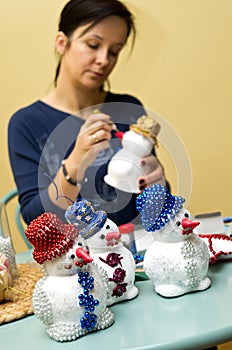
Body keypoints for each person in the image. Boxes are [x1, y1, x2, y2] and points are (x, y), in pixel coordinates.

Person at [8, 0, 167, 227]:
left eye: (114, 51)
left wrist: (157, 183)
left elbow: (155, 208)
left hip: (134, 248)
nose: (104, 60)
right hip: (74, 257)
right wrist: (74, 163)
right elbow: (36, 221)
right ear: (62, 43)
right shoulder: (26, 123)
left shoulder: (127, 108)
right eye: (93, 45)